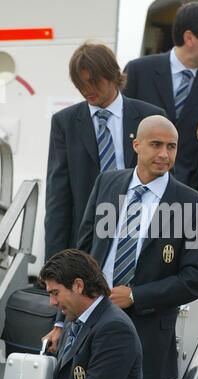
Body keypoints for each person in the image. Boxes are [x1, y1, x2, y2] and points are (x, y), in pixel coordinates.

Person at [77, 115, 198, 379]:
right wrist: (62, 319)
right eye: (156, 144)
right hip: (90, 322)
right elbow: (81, 254)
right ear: (137, 145)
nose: (164, 154)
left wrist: (135, 296)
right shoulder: (107, 183)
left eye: (171, 147)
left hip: (145, 333)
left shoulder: (194, 204)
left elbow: (197, 278)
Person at [5, 250, 148, 379]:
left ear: (78, 285)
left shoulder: (115, 328)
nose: (52, 303)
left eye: (55, 293)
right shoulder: (74, 325)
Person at [45, 42, 165, 261]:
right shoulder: (65, 123)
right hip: (86, 240)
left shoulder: (150, 117)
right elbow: (58, 197)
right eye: (80, 83)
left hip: (140, 230)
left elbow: (164, 179)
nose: (86, 90)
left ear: (112, 75)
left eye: (93, 82)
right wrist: (53, 262)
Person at [124, 2, 198, 191]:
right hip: (134, 188)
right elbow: (123, 129)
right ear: (189, 38)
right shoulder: (138, 71)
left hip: (183, 194)